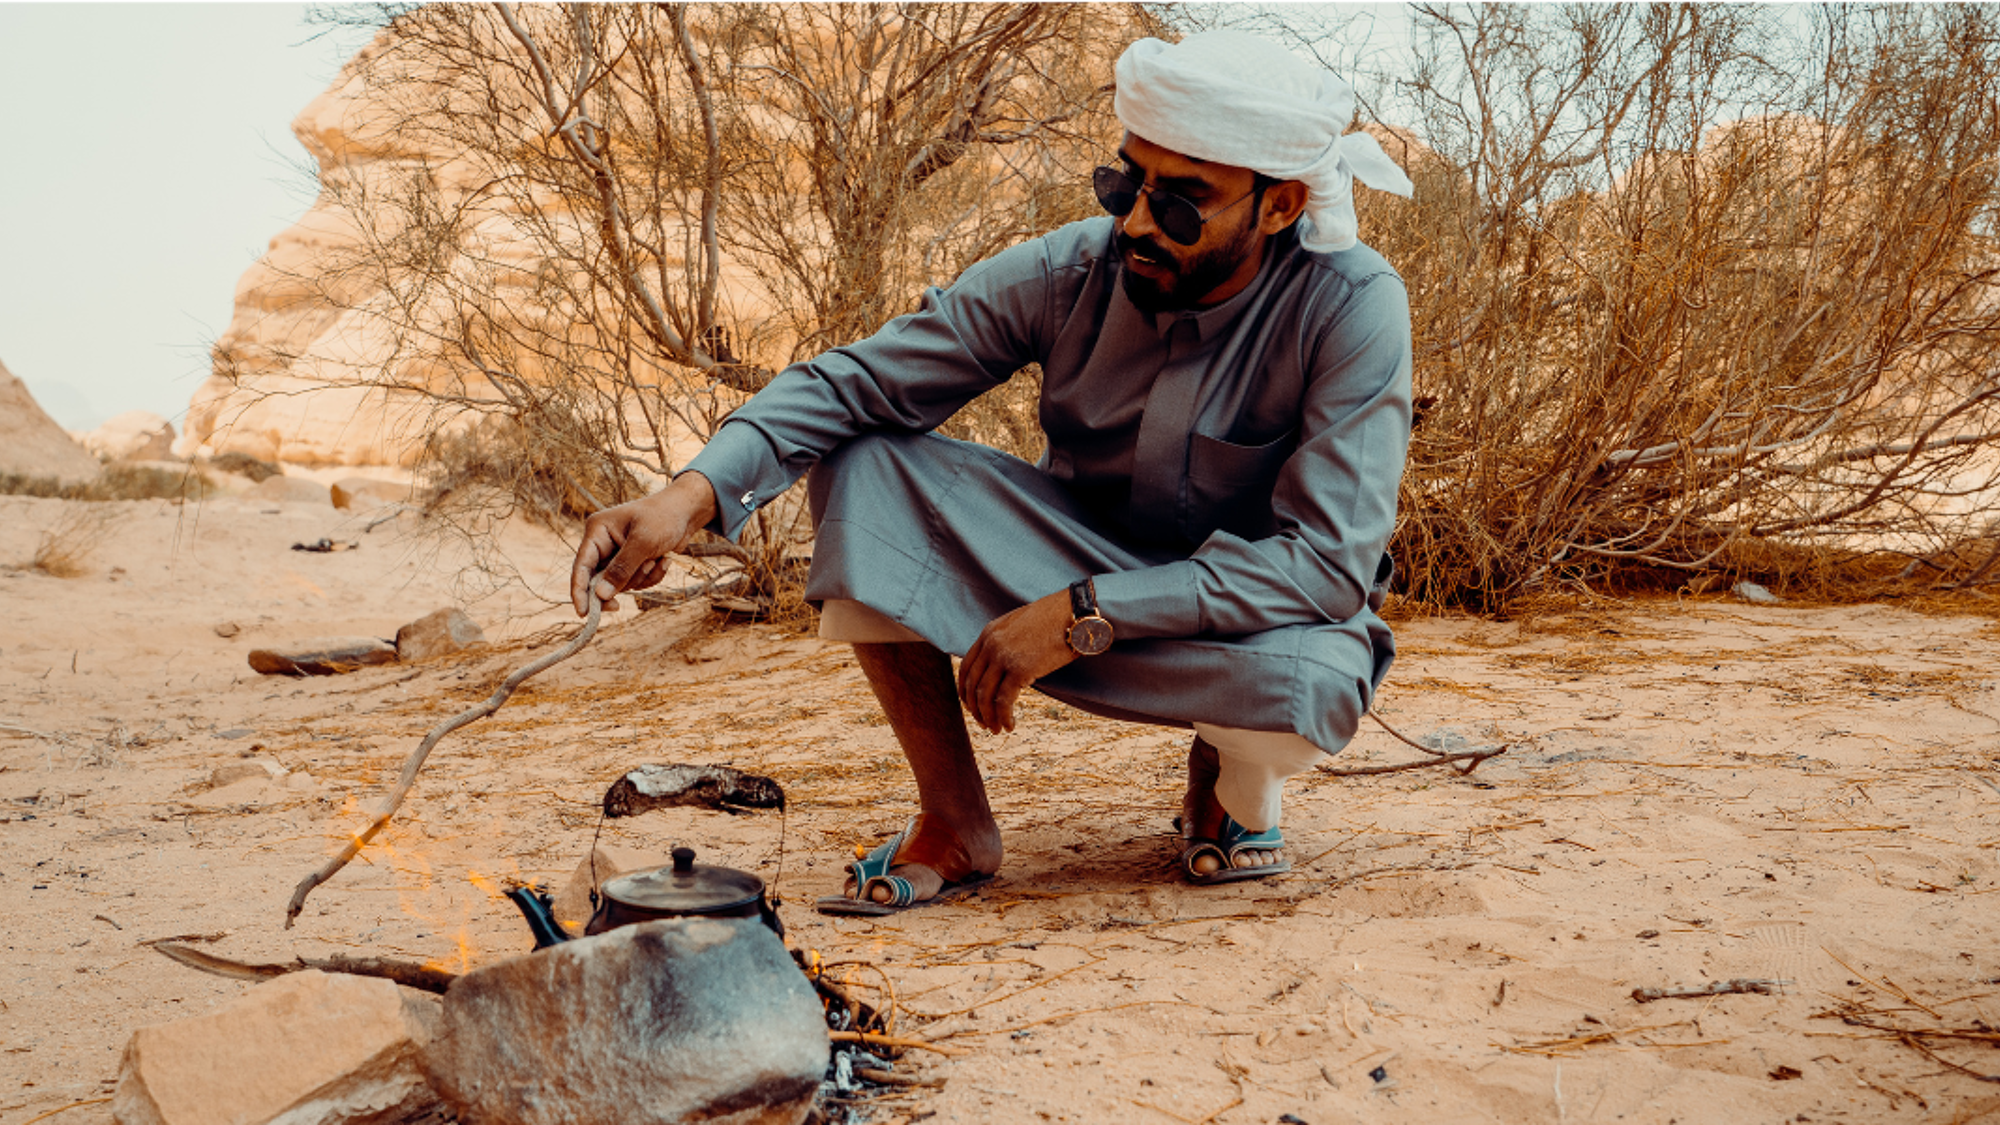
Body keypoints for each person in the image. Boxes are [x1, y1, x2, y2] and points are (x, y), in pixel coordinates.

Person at [568, 30, 1415, 914]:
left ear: (1278, 207)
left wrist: (1088, 613)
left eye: (1182, 203)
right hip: (1070, 549)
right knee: (865, 467)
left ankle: (1234, 787)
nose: (1132, 222)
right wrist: (689, 495)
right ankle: (956, 821)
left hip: (1243, 608)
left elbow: (1324, 563)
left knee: (1309, 690)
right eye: (1128, 183)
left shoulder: (1352, 307)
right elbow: (859, 381)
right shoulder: (1075, 267)